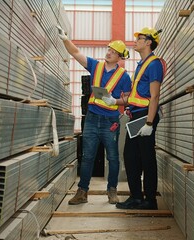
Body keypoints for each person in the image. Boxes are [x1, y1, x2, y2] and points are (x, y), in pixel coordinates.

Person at [56, 26, 132, 205]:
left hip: (110, 122)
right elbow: (75, 52)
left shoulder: (124, 76)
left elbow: (128, 98)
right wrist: (65, 39)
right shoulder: (95, 66)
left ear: (119, 57)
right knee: (88, 156)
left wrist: (115, 101)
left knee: (113, 158)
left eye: (113, 52)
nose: (109, 53)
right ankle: (82, 192)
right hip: (92, 119)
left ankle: (112, 191)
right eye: (109, 49)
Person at [106, 27, 165, 210]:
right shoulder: (141, 65)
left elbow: (154, 96)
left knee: (146, 158)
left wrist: (149, 123)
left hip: (145, 116)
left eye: (140, 38)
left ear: (149, 42)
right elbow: (134, 96)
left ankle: (149, 200)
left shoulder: (154, 63)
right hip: (136, 115)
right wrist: (114, 100)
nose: (136, 41)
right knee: (132, 157)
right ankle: (137, 197)